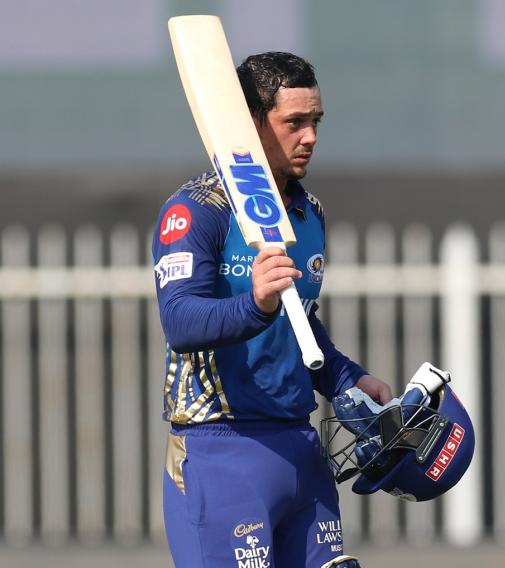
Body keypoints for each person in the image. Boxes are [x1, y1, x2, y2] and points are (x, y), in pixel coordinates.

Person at [153, 51, 391, 568]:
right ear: (250, 123)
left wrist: (347, 378)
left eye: (316, 122)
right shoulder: (196, 210)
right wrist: (255, 304)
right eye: (294, 123)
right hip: (220, 451)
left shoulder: (310, 213)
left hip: (302, 451)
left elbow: (299, 320)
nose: (311, 137)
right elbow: (180, 321)